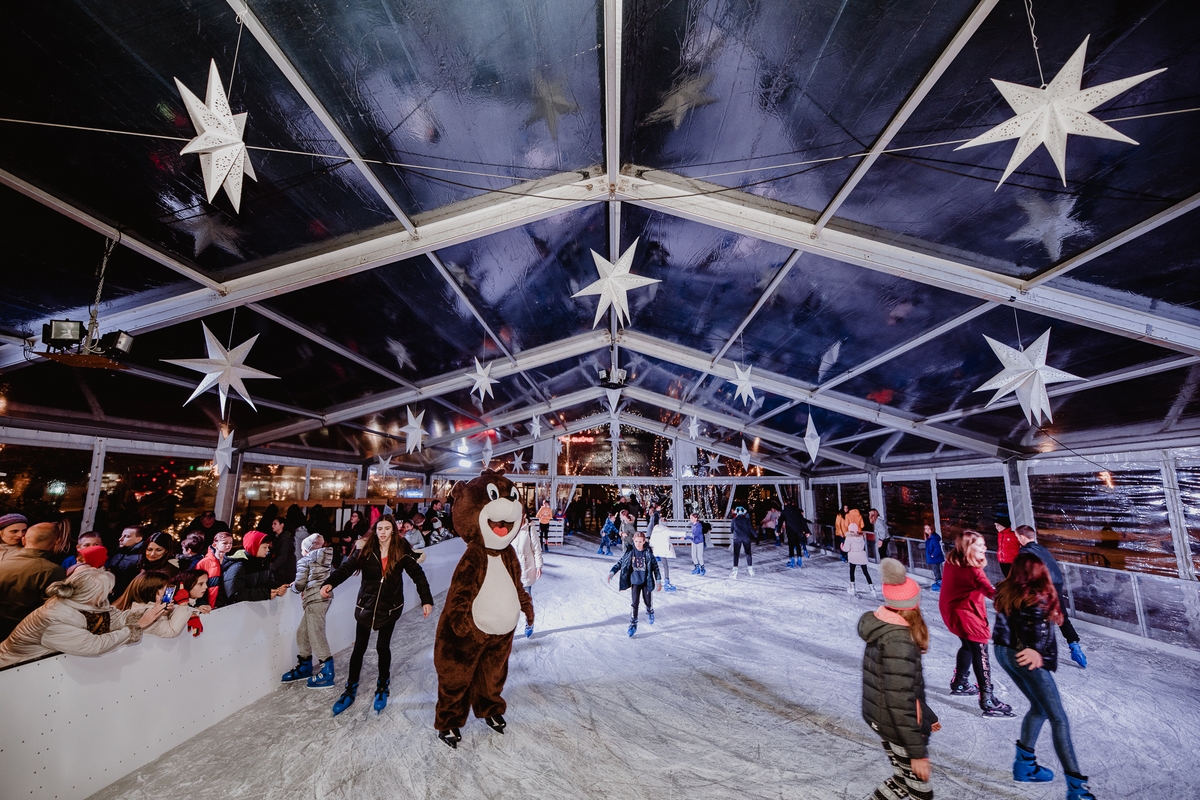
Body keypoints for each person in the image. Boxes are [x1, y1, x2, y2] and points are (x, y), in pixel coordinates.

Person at [993, 553, 1097, 800]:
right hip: (1024, 656)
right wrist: (1034, 648)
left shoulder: (1009, 590)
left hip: (1003, 651)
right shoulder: (1036, 597)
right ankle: (1076, 788)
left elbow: (1022, 622)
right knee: (1058, 718)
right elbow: (1034, 626)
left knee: (1039, 708)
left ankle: (1025, 766)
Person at [321, 515, 434, 715]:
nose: (382, 532)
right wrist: (330, 582)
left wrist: (426, 599)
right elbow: (347, 568)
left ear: (393, 530)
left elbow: (417, 574)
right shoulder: (366, 549)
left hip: (389, 607)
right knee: (359, 649)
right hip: (366, 606)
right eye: (379, 528)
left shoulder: (401, 551)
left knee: (383, 647)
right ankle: (350, 689)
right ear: (376, 530)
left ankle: (382, 685)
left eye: (386, 528)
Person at [858, 558, 940, 800]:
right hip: (896, 725)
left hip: (885, 718)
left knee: (902, 782)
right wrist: (917, 754)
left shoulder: (886, 628)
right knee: (919, 792)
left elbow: (902, 686)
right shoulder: (898, 641)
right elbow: (899, 700)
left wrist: (926, 714)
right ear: (911, 604)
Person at [0, 566, 165, 668]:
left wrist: (149, 612)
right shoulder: (55, 617)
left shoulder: (91, 604)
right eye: (106, 591)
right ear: (89, 594)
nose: (109, 594)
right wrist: (136, 628)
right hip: (13, 669)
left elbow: (113, 619)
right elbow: (94, 646)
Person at [939, 531, 1013, 718]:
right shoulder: (973, 571)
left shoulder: (953, 561)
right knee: (980, 651)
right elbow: (992, 593)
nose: (985, 548)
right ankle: (987, 699)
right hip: (966, 615)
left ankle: (960, 682)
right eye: (980, 545)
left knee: (967, 646)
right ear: (969, 548)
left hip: (952, 610)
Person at [1015, 525, 1087, 669]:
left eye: (1017, 537)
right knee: (1062, 618)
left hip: (1041, 588)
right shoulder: (1043, 549)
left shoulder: (1024, 551)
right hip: (1056, 585)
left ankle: (1032, 649)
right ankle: (1075, 646)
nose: (1017, 540)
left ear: (1022, 537)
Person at [282, 533, 336, 688]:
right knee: (303, 633)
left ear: (305, 549)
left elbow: (299, 584)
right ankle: (305, 666)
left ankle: (327, 672)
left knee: (315, 633)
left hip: (315, 598)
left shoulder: (305, 560)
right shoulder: (323, 559)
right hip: (322, 597)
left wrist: (291, 587)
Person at [0, 522, 69, 641]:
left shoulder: (3, 565)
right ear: (57, 541)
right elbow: (54, 610)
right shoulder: (53, 571)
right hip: (26, 637)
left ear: (24, 540)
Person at [607, 529, 661, 637]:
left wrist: (658, 580)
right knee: (634, 603)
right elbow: (620, 563)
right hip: (635, 582)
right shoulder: (630, 552)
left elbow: (655, 567)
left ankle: (650, 611)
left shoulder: (648, 553)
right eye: (636, 541)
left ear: (644, 541)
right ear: (633, 540)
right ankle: (633, 624)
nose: (638, 544)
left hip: (646, 582)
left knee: (648, 602)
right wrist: (612, 572)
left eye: (640, 542)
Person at [112, 572, 195, 639]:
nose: (167, 593)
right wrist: (183, 605)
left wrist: (165, 613)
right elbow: (171, 631)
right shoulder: (146, 613)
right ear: (151, 591)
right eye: (164, 589)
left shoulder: (133, 607)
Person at [221, 530, 290, 606]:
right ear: (254, 547)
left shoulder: (264, 562)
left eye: (267, 547)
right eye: (264, 547)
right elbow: (235, 593)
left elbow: (270, 582)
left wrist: (277, 589)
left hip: (258, 610)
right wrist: (265, 594)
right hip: (239, 611)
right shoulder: (238, 565)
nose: (267, 550)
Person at [512, 520, 543, 638]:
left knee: (526, 600)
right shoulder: (510, 527)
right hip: (512, 571)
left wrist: (539, 565)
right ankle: (508, 628)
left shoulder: (529, 528)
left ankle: (529, 623)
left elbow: (536, 549)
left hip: (526, 569)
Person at [106, 525, 146, 600]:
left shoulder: (141, 558)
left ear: (138, 539)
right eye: (121, 536)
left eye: (126, 536)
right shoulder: (118, 554)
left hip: (126, 597)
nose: (120, 539)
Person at [196, 530, 233, 607]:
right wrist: (201, 603)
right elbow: (196, 586)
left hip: (225, 604)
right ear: (215, 545)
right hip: (208, 604)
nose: (228, 545)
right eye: (225, 543)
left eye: (230, 543)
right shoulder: (204, 563)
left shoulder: (231, 561)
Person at [843, 522, 875, 597]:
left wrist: (842, 547)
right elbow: (863, 545)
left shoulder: (849, 537)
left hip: (853, 555)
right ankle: (872, 589)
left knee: (852, 571)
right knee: (865, 572)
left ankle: (853, 588)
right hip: (861, 555)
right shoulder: (861, 537)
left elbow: (846, 549)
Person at [270, 513, 300, 588]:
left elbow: (283, 555)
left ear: (282, 525)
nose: (272, 526)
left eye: (275, 524)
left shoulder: (285, 538)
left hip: (285, 570)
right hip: (283, 569)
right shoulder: (280, 537)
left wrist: (273, 567)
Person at [648, 517, 678, 592]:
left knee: (653, 565)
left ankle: (650, 581)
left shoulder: (656, 528)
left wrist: (651, 546)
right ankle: (666, 582)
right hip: (660, 550)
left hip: (656, 550)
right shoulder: (664, 530)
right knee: (664, 566)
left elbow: (652, 538)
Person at [780, 502, 810, 567]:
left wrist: (778, 530)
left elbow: (780, 521)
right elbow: (803, 521)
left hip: (790, 531)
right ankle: (799, 560)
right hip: (798, 530)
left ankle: (792, 561)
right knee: (798, 545)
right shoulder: (797, 511)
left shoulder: (784, 512)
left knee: (791, 545)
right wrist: (807, 531)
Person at [730, 506, 754, 579]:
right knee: (748, 553)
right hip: (746, 538)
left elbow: (731, 530)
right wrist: (756, 536)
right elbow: (751, 529)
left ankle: (735, 570)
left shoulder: (734, 520)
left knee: (736, 554)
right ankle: (750, 569)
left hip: (737, 538)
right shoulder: (747, 520)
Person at [923, 524, 944, 591]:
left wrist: (933, 555)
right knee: (935, 570)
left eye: (928, 529)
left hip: (935, 558)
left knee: (936, 570)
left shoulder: (933, 538)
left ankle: (939, 583)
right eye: (925, 529)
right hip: (933, 558)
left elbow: (937, 549)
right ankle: (938, 582)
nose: (927, 530)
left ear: (932, 529)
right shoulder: (929, 538)